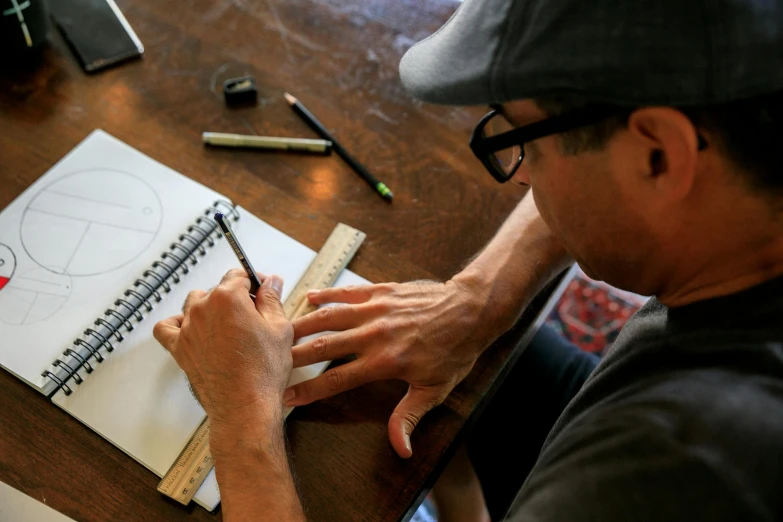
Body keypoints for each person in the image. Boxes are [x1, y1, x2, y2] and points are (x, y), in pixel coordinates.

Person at [153, 0, 783, 519]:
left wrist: (240, 416)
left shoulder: (673, 468)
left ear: (659, 158)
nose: (521, 181)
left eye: (520, 137)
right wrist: (479, 298)